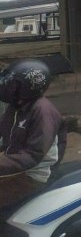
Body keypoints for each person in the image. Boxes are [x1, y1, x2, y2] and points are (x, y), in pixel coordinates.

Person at [0, 59, 67, 207]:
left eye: (12, 85)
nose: (6, 88)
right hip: (16, 167)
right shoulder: (16, 105)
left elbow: (33, 156)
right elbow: (3, 133)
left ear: (28, 87)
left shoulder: (43, 111)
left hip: (35, 174)